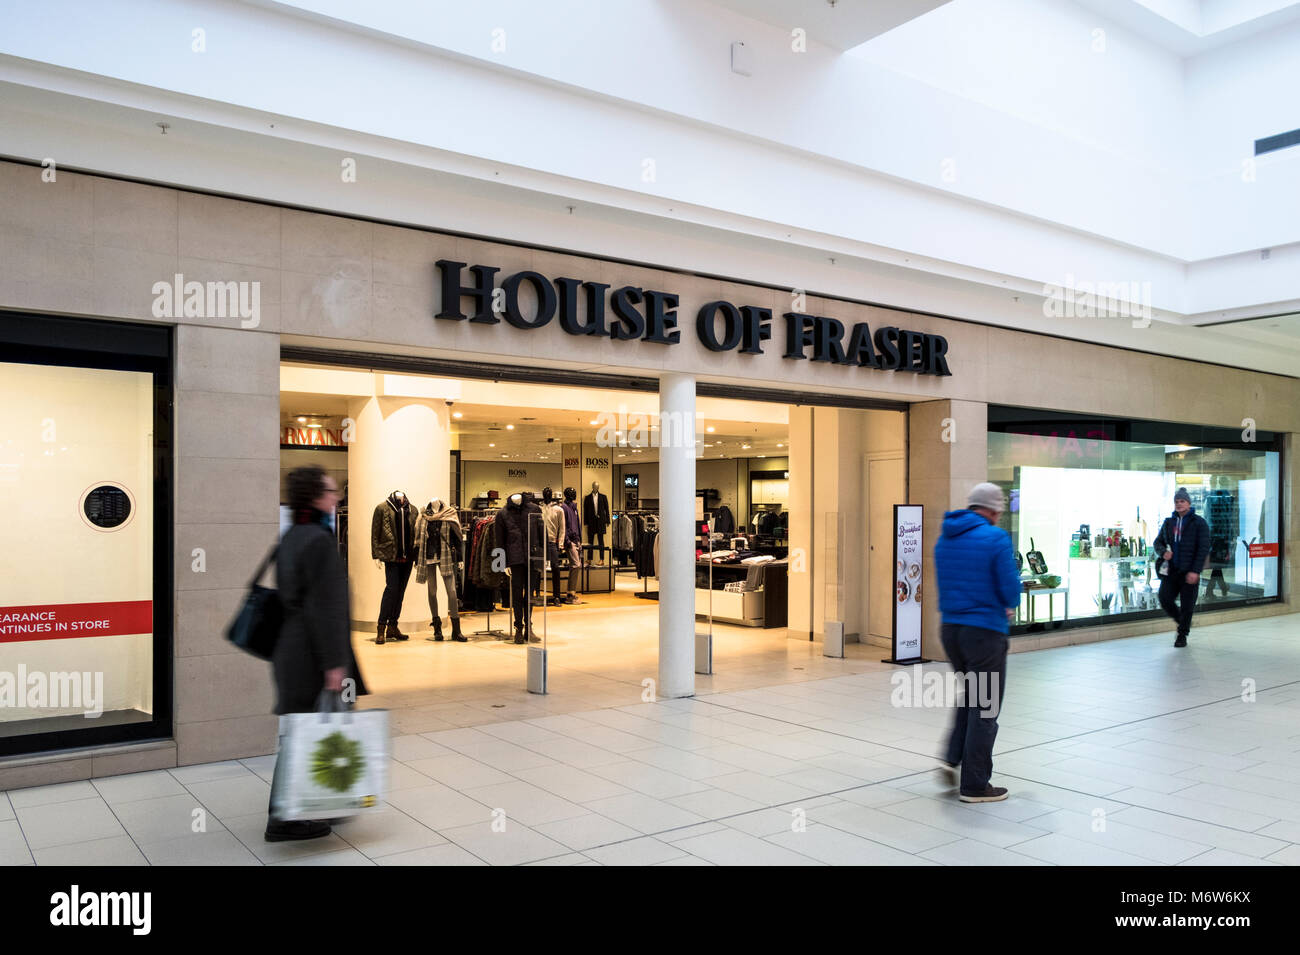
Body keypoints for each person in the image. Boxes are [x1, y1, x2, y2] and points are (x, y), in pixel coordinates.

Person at [266, 465, 368, 842]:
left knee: (299, 732)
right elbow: (325, 609)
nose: (336, 497)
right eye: (330, 490)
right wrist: (334, 666)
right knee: (310, 730)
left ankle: (291, 812)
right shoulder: (320, 541)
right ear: (314, 495)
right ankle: (289, 819)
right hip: (312, 655)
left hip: (290, 653)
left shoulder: (292, 535)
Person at [933, 482, 1021, 803]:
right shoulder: (995, 537)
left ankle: (952, 756)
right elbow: (1010, 589)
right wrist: (1008, 601)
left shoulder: (945, 536)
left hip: (951, 630)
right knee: (985, 707)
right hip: (984, 633)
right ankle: (974, 785)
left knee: (972, 694)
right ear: (993, 509)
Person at [1153, 487, 1210, 647]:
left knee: (1187, 605)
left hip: (1189, 572)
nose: (1179, 504)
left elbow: (1203, 549)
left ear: (1189, 503)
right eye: (1176, 502)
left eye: (1182, 501)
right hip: (1171, 571)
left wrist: (1195, 571)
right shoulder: (1168, 523)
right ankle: (1182, 621)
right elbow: (1158, 543)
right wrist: (1163, 552)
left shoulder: (1199, 523)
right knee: (1164, 598)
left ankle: (1182, 634)